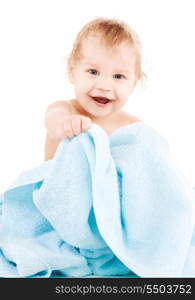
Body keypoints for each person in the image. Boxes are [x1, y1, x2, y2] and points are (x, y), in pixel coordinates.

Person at [44, 17, 144, 161]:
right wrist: (65, 124)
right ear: (72, 71)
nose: (104, 86)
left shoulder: (133, 127)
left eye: (118, 76)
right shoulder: (64, 110)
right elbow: (53, 121)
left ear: (134, 84)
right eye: (93, 72)